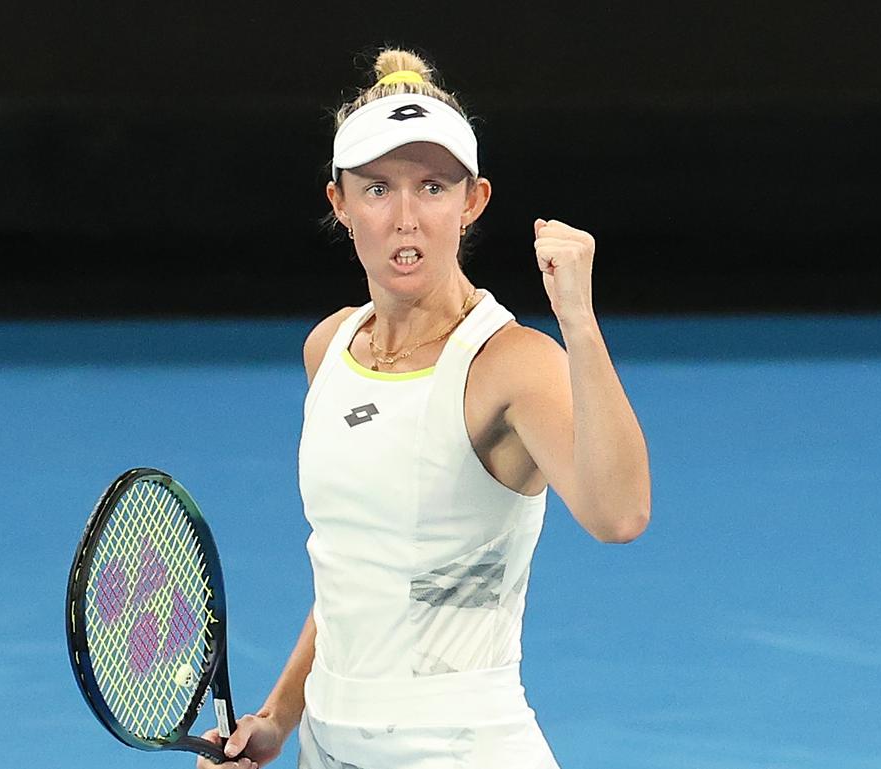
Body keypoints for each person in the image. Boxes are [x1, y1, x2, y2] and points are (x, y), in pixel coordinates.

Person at [197, 47, 651, 769]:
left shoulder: (510, 363)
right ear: (339, 203)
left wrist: (581, 325)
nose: (406, 217)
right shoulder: (329, 348)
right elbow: (357, 573)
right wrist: (280, 716)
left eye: (433, 187)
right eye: (378, 189)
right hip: (329, 748)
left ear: (472, 202)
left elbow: (619, 513)